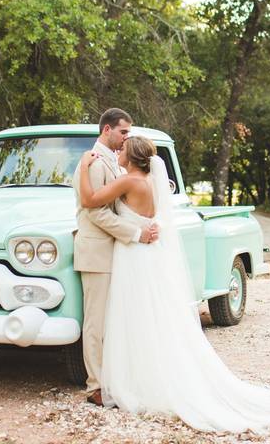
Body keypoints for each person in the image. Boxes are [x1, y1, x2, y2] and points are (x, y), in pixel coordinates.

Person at [78, 135, 270, 433]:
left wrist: (85, 167)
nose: (118, 152)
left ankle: (135, 381)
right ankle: (147, 378)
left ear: (133, 156)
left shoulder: (130, 182)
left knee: (134, 317)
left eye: (123, 149)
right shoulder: (150, 181)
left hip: (134, 255)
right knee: (148, 317)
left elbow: (88, 200)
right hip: (143, 254)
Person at [71, 108, 159, 407]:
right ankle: (95, 385)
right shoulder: (94, 162)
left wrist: (141, 227)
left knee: (114, 321)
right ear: (107, 130)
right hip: (97, 251)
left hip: (115, 251)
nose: (126, 138)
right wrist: (136, 233)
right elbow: (93, 211)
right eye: (123, 132)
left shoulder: (115, 164)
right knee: (96, 323)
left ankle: (114, 379)